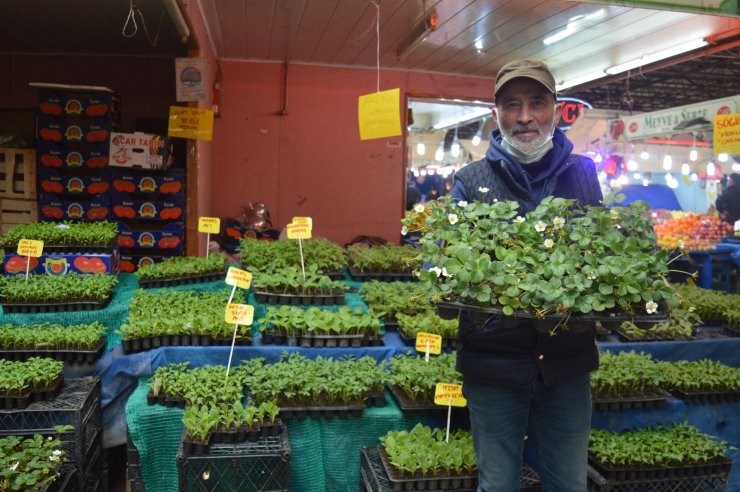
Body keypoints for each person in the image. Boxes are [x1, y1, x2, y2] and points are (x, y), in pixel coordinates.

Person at [450, 59, 603, 492]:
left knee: (568, 485)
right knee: (498, 485)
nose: (524, 117)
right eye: (511, 105)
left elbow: (601, 250)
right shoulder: (469, 179)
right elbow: (444, 263)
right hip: (494, 366)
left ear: (556, 108)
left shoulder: (583, 173)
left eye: (537, 103)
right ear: (495, 113)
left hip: (566, 365)